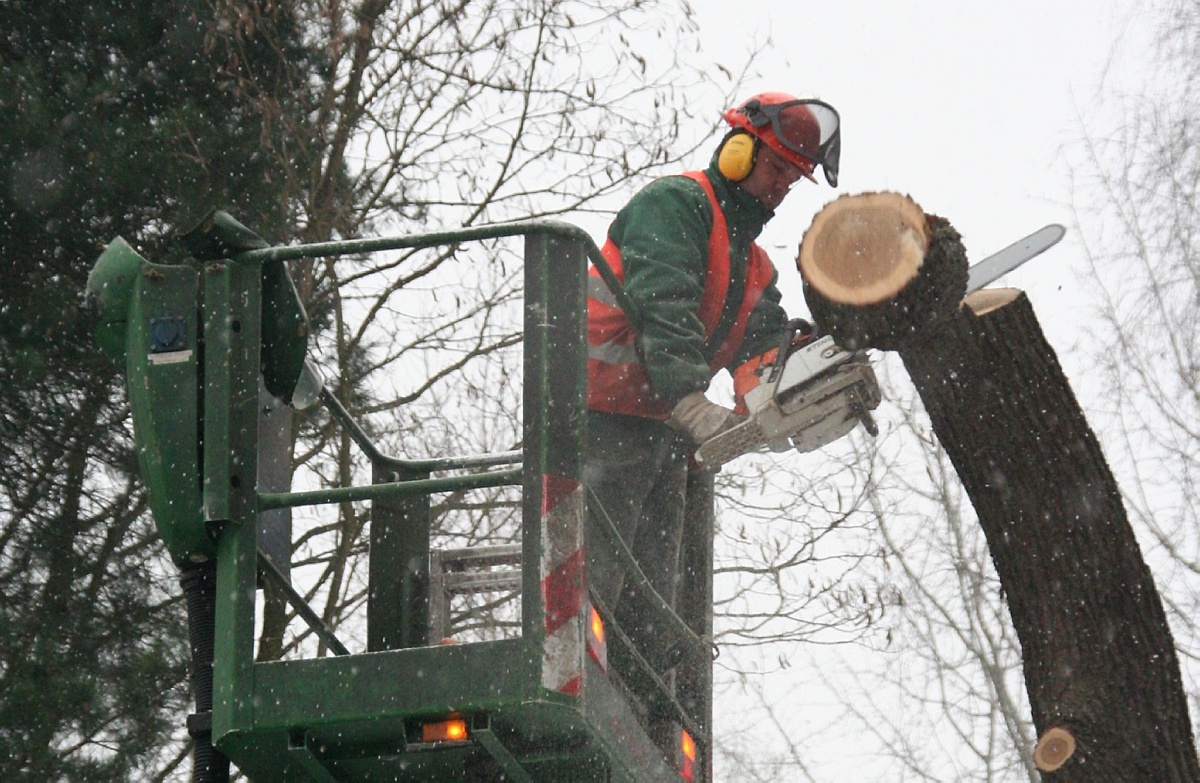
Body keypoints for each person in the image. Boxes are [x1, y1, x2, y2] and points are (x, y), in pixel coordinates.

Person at [583, 92, 841, 679]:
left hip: (661, 434)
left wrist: (804, 380)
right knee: (597, 575)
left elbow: (763, 351)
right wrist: (691, 400)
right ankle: (585, 676)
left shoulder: (752, 265)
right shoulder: (676, 205)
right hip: (597, 414)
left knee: (656, 593)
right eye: (774, 167)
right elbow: (664, 303)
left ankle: (638, 694)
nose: (779, 185)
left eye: (790, 178)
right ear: (738, 152)